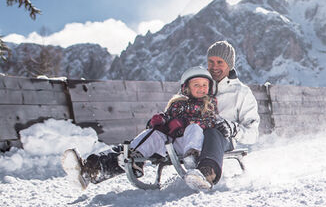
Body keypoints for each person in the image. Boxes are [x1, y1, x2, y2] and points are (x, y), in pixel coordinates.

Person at [61, 67, 219, 189]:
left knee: (194, 128)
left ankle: (191, 157)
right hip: (173, 143)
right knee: (152, 135)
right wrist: (160, 121)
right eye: (196, 85)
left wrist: (186, 123)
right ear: (186, 88)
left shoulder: (209, 104)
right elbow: (167, 118)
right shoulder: (178, 103)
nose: (201, 88)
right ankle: (127, 161)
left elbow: (211, 123)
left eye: (204, 85)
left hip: (195, 144)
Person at [191, 40, 260, 189]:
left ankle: (207, 171)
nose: (214, 67)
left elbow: (253, 133)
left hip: (222, 138)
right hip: (192, 134)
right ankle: (135, 158)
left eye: (219, 62)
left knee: (213, 131)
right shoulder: (198, 85)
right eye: (211, 62)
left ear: (230, 65)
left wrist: (233, 128)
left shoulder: (241, 93)